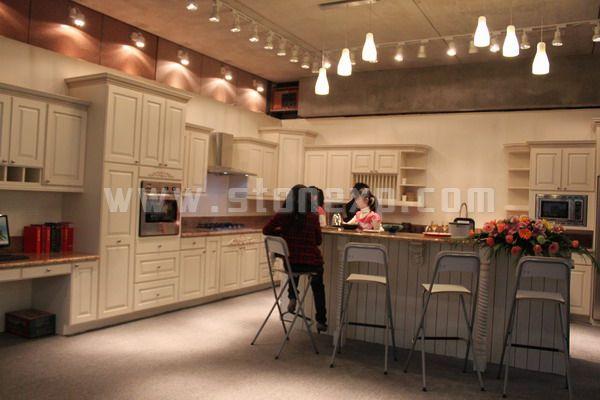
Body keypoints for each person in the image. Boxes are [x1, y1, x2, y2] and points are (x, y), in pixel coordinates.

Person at [263, 184, 327, 332]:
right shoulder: (313, 216)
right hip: (311, 264)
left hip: (291, 263)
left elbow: (266, 230)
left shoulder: (283, 214)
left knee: (293, 266)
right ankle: (321, 320)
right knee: (318, 285)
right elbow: (318, 241)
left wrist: (282, 234)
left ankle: (292, 296)